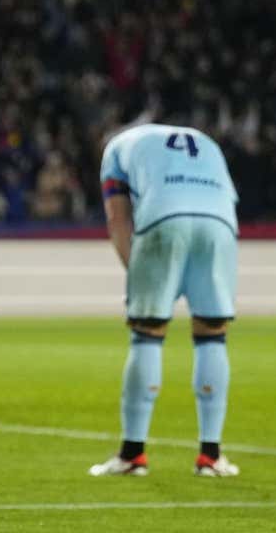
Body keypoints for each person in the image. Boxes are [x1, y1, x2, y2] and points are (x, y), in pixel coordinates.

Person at [89, 123, 240, 478]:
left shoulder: (114, 150)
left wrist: (140, 275)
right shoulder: (204, 140)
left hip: (163, 216)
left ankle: (132, 455)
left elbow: (117, 218)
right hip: (220, 223)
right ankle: (211, 457)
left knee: (147, 333)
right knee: (211, 333)